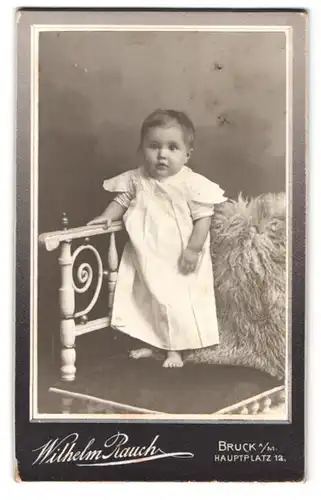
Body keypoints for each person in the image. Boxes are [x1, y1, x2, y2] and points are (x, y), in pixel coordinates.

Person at [88, 109, 227, 367]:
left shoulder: (190, 183)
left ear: (187, 154)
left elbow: (203, 218)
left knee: (175, 301)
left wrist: (193, 250)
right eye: (154, 146)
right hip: (146, 252)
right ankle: (153, 345)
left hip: (178, 256)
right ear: (142, 149)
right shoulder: (137, 178)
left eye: (172, 148)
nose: (162, 154)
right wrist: (106, 217)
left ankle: (175, 349)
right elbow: (121, 199)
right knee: (147, 300)